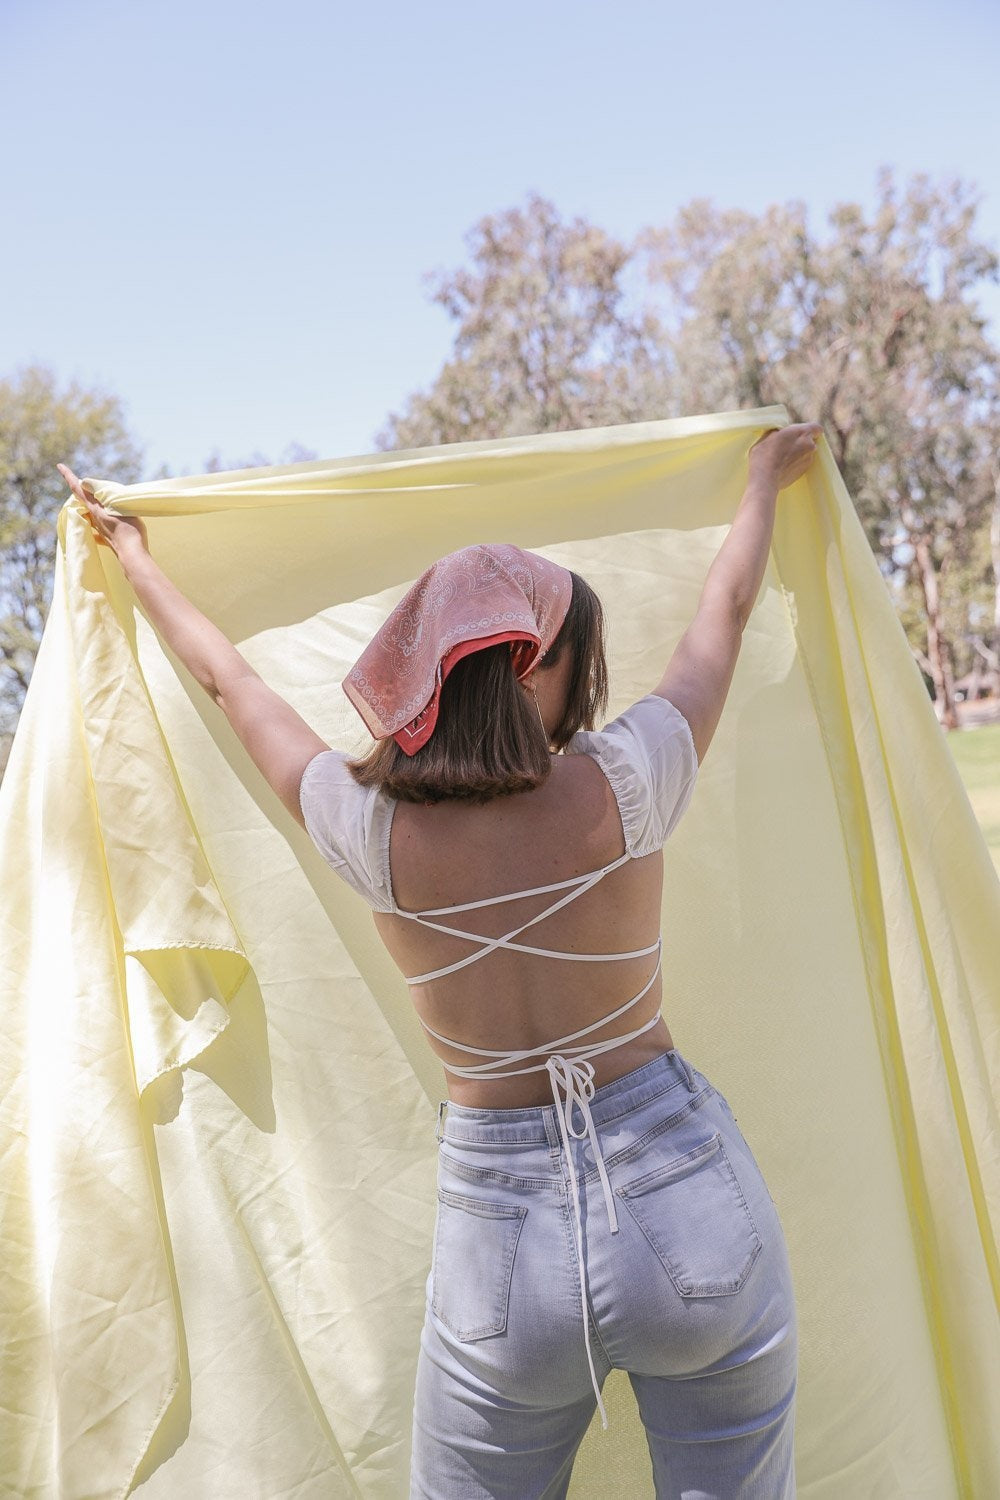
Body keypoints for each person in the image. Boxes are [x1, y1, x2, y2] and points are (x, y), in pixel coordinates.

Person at [60, 419, 822, 1500]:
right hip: (681, 1193)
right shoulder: (628, 780)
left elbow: (235, 689)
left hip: (499, 1242)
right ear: (530, 668)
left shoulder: (371, 832)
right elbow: (724, 618)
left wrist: (136, 562)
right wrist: (759, 482)